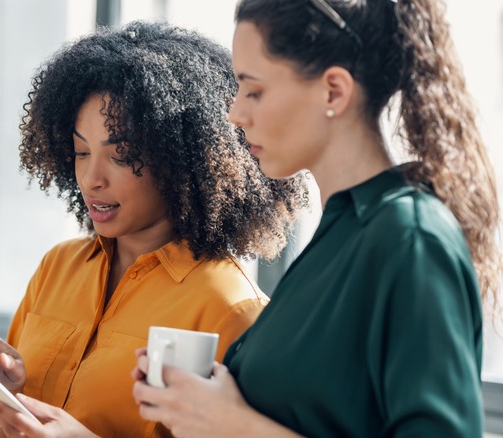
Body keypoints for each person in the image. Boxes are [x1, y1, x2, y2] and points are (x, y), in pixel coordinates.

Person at [132, 0, 502, 436]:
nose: (235, 113)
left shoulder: (411, 239)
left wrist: (233, 425)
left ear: (334, 91)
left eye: (253, 90)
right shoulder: (339, 235)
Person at [0, 21, 307, 437]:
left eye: (121, 156)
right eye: (81, 152)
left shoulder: (229, 310)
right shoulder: (57, 268)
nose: (92, 178)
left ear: (182, 162)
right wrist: (0, 391)